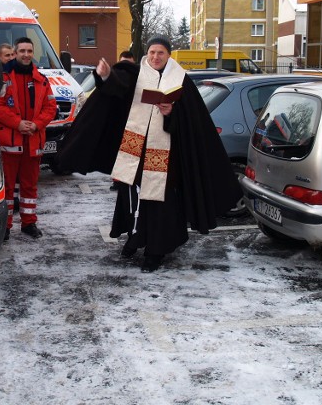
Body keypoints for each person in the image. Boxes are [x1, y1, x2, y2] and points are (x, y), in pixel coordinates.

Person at [55, 36, 242, 272]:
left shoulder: (181, 79)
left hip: (165, 157)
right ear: (147, 54)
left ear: (169, 55)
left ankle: (156, 250)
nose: (155, 57)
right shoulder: (137, 74)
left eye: (160, 53)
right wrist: (104, 76)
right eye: (152, 52)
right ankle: (135, 239)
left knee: (158, 203)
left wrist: (171, 112)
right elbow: (117, 89)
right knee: (132, 197)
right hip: (135, 151)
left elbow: (191, 121)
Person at [0, 37, 57, 240]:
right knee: (8, 187)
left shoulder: (41, 79)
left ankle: (29, 223)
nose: (26, 54)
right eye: (22, 51)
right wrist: (18, 123)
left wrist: (36, 124)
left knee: (29, 186)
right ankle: (6, 227)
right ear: (15, 53)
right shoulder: (2, 78)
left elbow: (50, 107)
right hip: (11, 141)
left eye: (29, 51)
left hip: (33, 140)